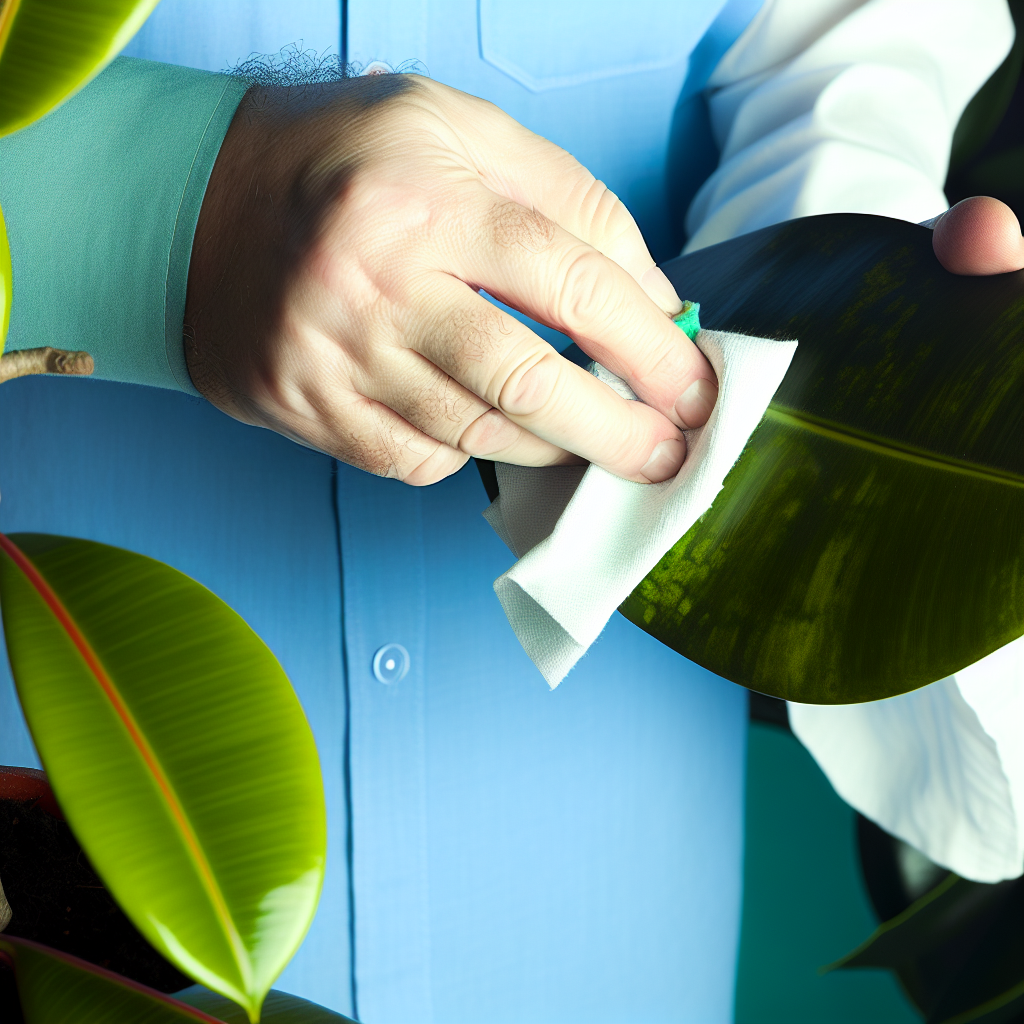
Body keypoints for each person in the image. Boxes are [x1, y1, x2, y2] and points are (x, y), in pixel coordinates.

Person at [0, 1, 1020, 1021]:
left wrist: (830, 284)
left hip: (606, 880)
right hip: (63, 819)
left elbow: (852, 30)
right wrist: (163, 205)